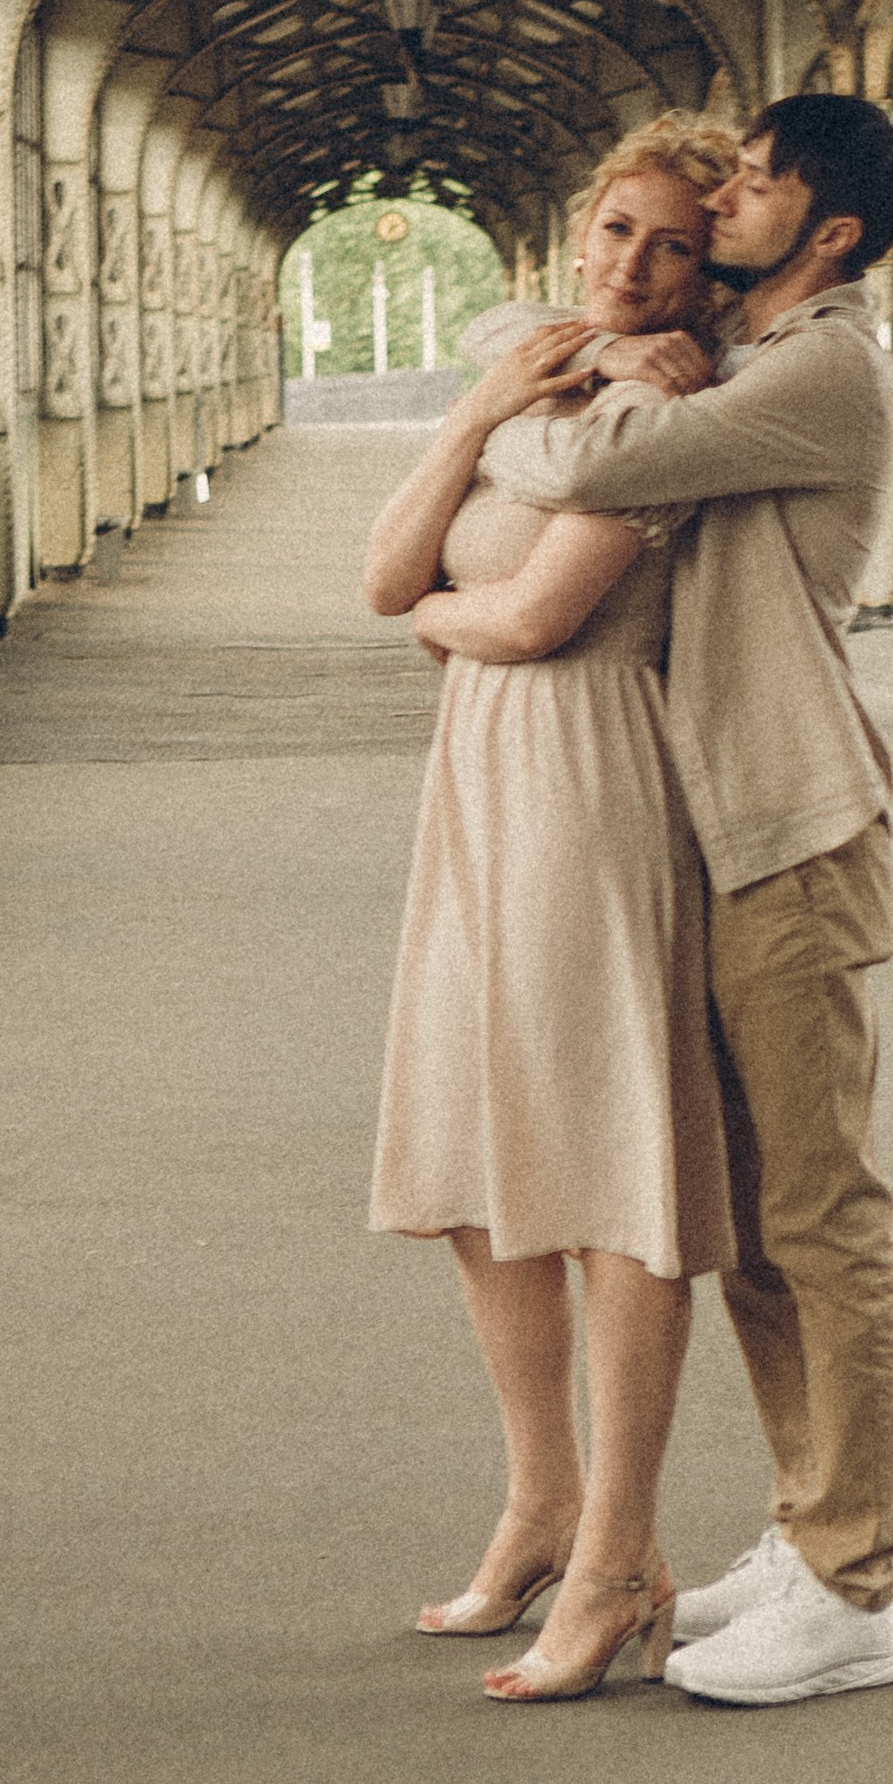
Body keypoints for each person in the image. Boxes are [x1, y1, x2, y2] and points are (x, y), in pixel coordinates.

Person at [482, 93, 893, 1707]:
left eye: (750, 187)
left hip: (792, 830)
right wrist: (556, 356)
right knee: (756, 1233)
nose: (720, 204)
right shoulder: (749, 346)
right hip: (726, 828)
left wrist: (491, 410)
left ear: (829, 236)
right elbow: (550, 325)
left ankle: (856, 1583)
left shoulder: (819, 369)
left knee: (822, 1218)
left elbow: (592, 450)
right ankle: (810, 1541)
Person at [360, 115, 739, 1703]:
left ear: (708, 276)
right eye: (613, 231)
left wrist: (445, 606)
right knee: (467, 1160)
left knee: (607, 1179)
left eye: (668, 247)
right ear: (576, 235)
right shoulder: (547, 381)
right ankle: (540, 1505)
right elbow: (387, 574)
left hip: (591, 788)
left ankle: (619, 1559)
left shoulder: (674, 400)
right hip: (479, 789)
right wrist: (486, 407)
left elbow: (527, 618)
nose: (631, 267)